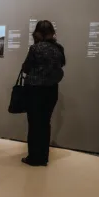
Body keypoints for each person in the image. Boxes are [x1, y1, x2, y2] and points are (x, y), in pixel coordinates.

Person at [21, 20, 65, 166]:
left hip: (35, 90)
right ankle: (43, 157)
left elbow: (26, 68)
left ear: (37, 32)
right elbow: (62, 64)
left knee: (34, 124)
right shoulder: (59, 48)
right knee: (45, 123)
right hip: (51, 90)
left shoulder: (35, 48)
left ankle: (34, 157)